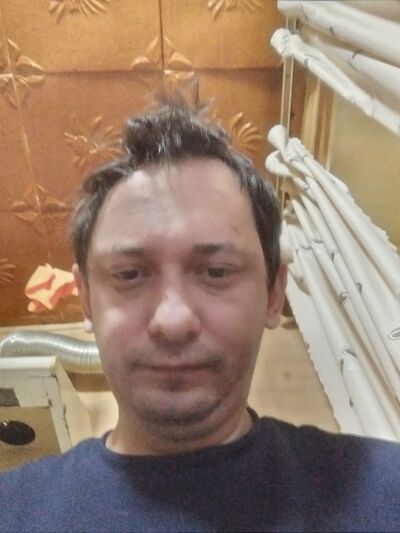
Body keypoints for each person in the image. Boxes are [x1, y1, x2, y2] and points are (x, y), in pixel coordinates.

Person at [0, 105, 399, 533]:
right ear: (86, 301)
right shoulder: (13, 512)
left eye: (217, 272)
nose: (173, 321)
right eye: (129, 274)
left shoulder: (384, 489)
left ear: (274, 293)